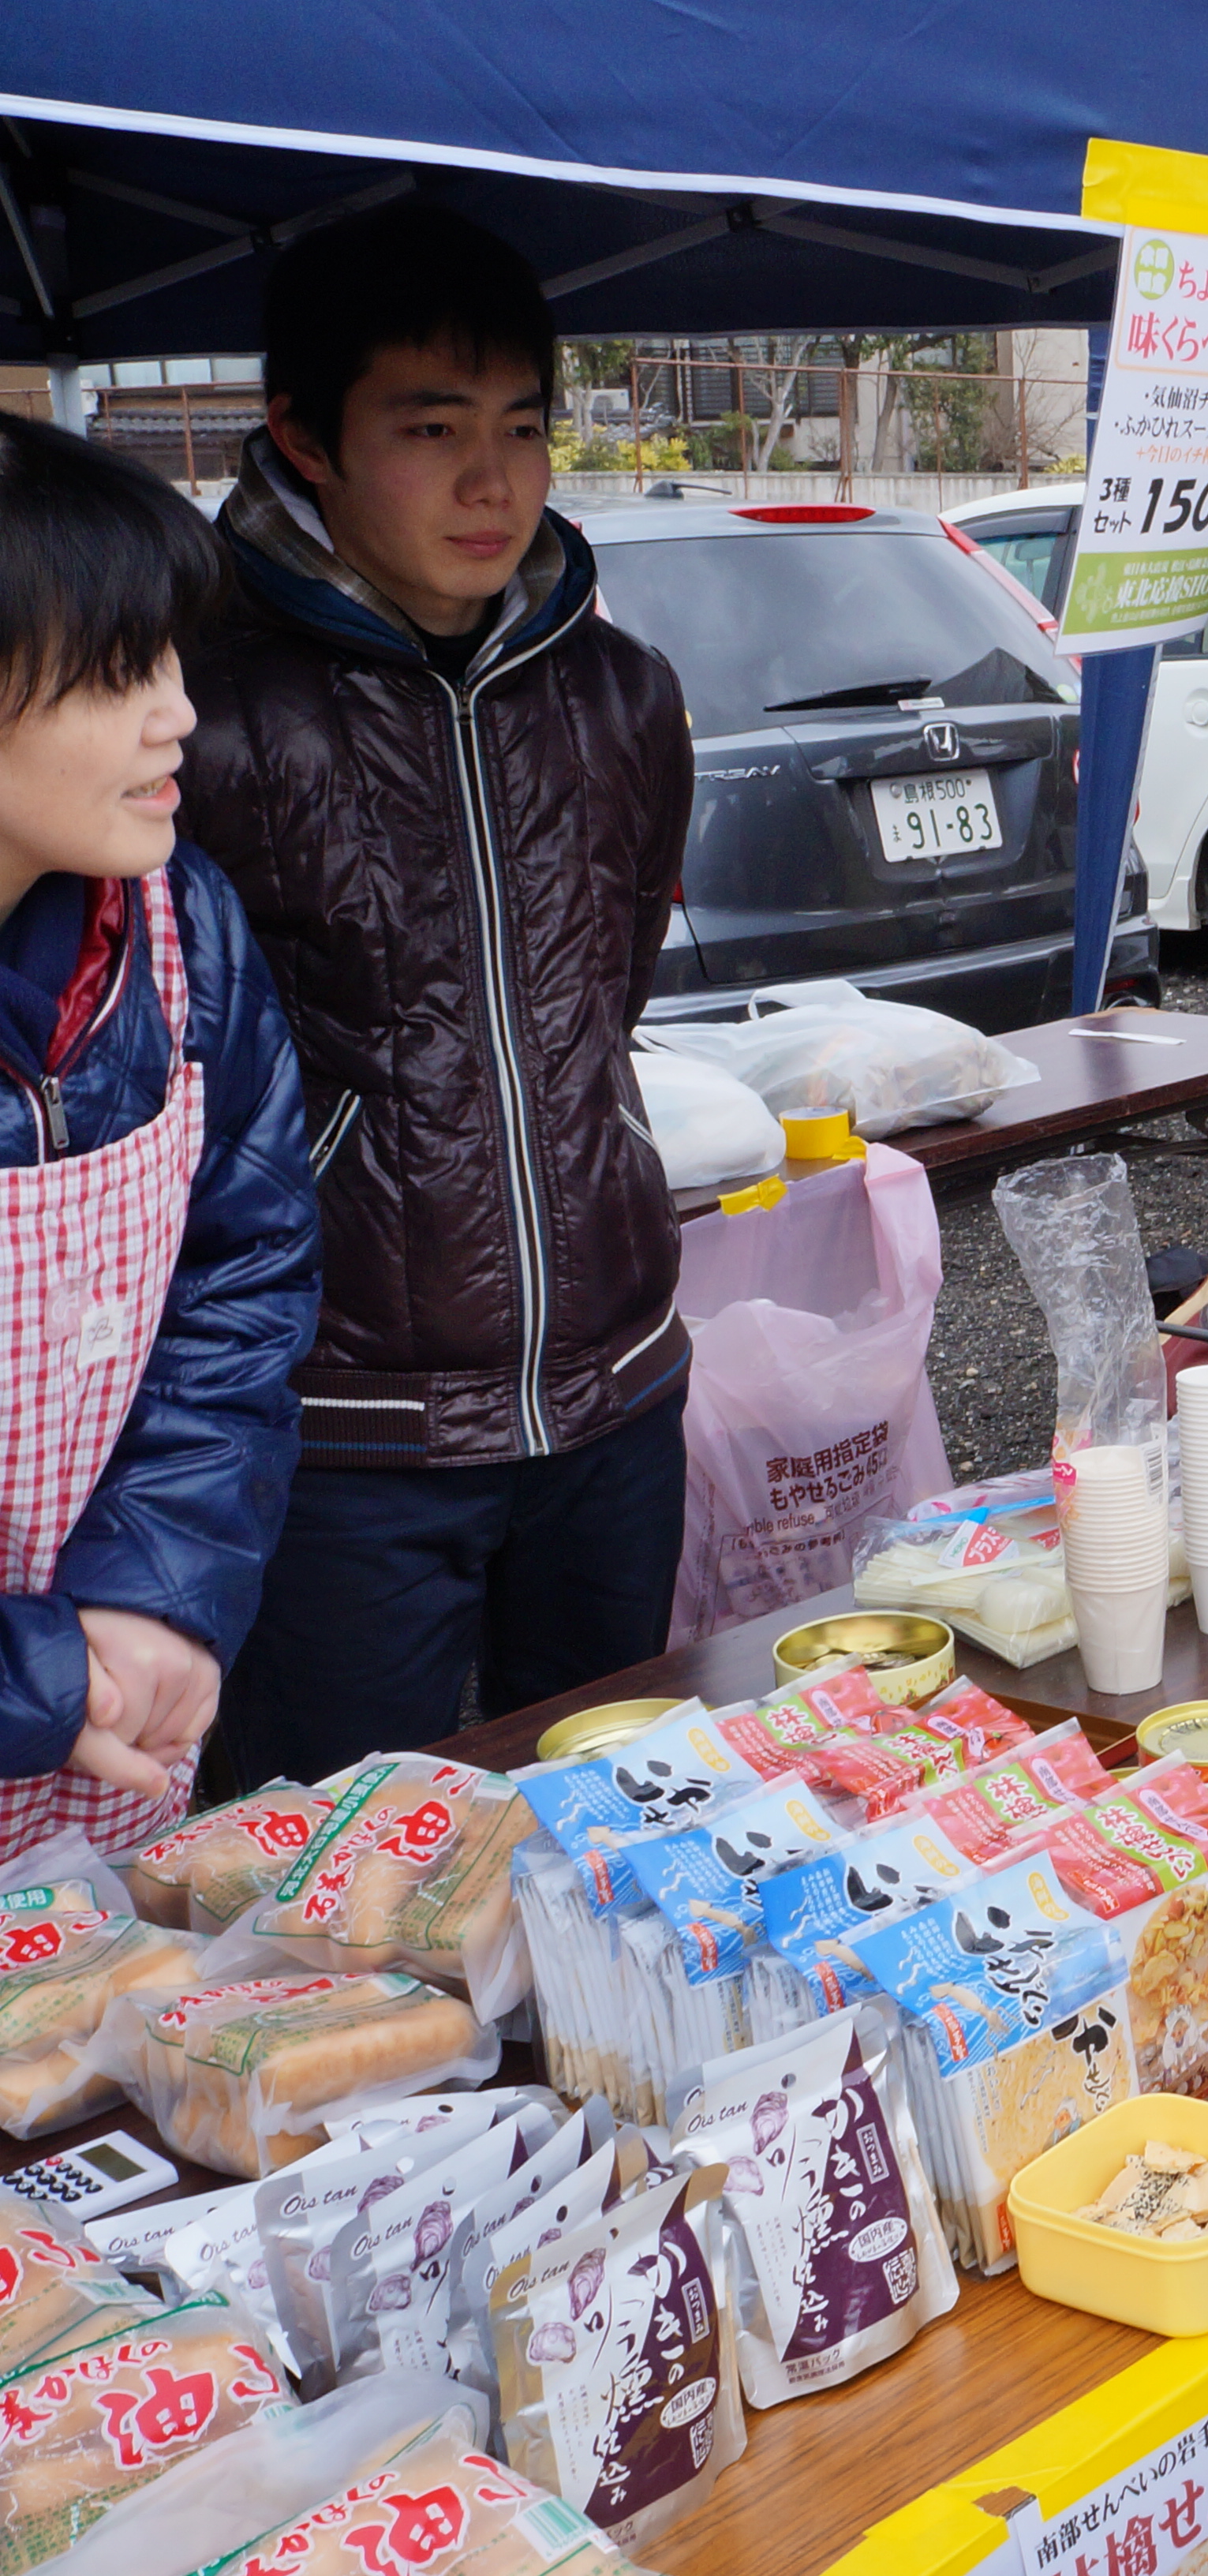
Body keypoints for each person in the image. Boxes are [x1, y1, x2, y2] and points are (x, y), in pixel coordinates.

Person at [178, 202, 694, 1785]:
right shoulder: (198, 707)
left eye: (523, 428)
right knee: (343, 1889)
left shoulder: (619, 692)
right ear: (303, 439)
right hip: (344, 1431)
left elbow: (603, 996)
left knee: (620, 1837)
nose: (493, 481)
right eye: (429, 428)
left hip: (616, 1390)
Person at [0, 417, 320, 1854]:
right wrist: (34, 1675)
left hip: (109, 1732)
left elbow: (240, 1279)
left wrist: (160, 1589)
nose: (179, 711)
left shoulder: (182, 929)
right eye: (123, 669)